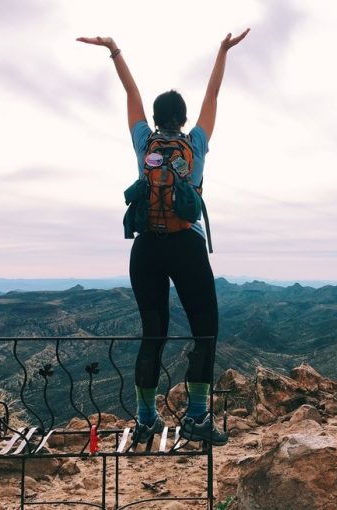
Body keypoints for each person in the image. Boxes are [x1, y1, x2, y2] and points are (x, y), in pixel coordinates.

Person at [77, 29, 250, 446]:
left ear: (154, 119)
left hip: (146, 248)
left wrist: (114, 50)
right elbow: (214, 96)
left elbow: (130, 91)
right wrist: (222, 52)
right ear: (185, 119)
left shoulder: (143, 143)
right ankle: (195, 418)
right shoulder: (196, 144)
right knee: (204, 329)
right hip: (187, 245)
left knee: (152, 334)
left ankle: (146, 419)